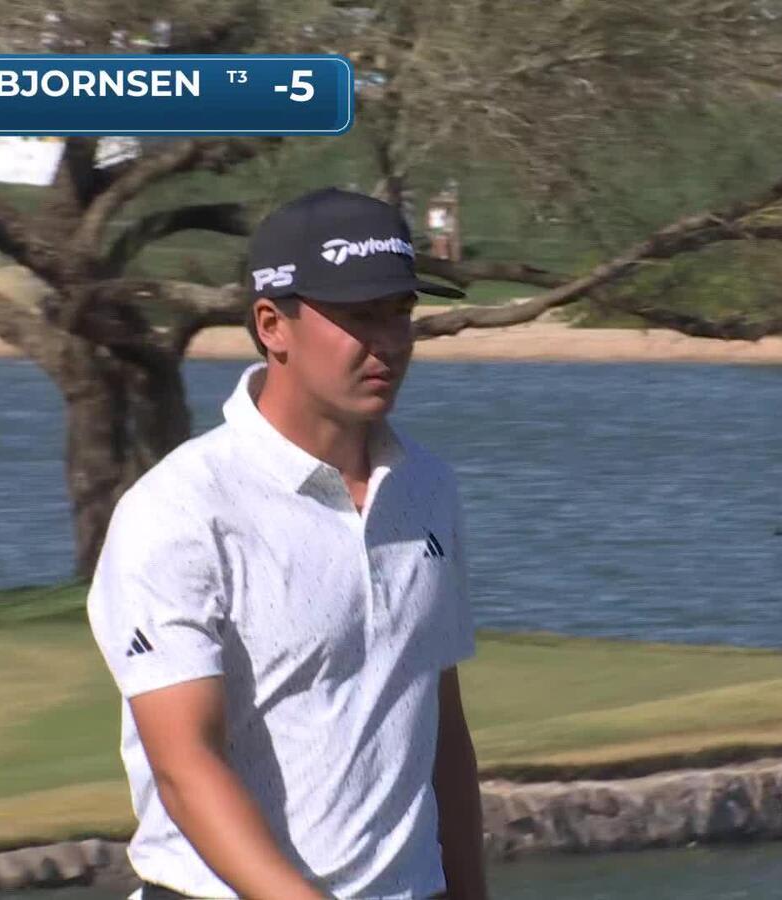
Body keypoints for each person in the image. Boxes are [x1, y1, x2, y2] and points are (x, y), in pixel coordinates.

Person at [87, 186, 487, 900]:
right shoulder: (180, 508)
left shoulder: (429, 486)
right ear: (273, 325)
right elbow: (186, 765)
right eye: (361, 317)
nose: (390, 344)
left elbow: (441, 727)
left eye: (401, 314)